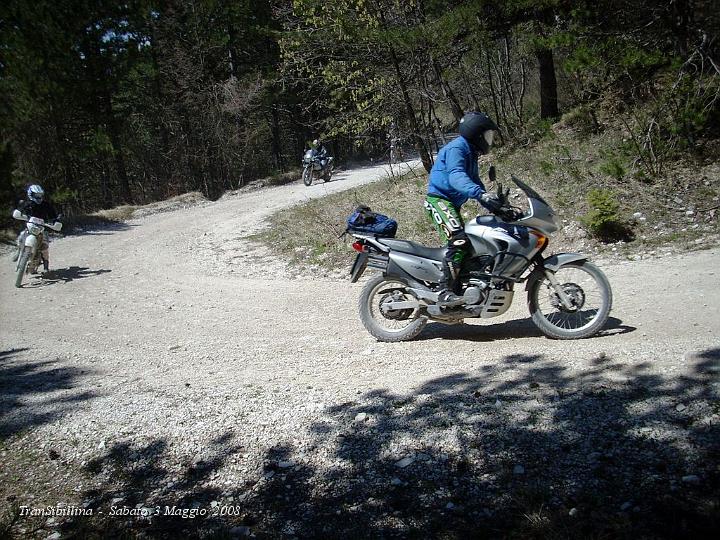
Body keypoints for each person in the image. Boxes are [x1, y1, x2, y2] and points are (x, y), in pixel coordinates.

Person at [424, 112, 502, 306]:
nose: (489, 140)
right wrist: (480, 194)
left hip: (451, 204)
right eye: (487, 135)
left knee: (471, 247)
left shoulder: (470, 152)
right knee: (459, 241)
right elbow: (456, 176)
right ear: (476, 133)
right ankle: (444, 291)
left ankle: (461, 290)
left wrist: (495, 205)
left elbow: (475, 183)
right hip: (438, 201)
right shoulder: (457, 149)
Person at [13, 184, 60, 272]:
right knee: (21, 236)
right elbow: (19, 211)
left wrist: (56, 222)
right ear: (31, 194)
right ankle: (19, 249)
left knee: (45, 246)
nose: (39, 198)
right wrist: (19, 214)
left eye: (40, 196)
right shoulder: (27, 203)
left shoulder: (46, 205)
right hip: (30, 226)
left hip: (42, 228)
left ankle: (46, 266)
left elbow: (53, 216)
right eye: (36, 196)